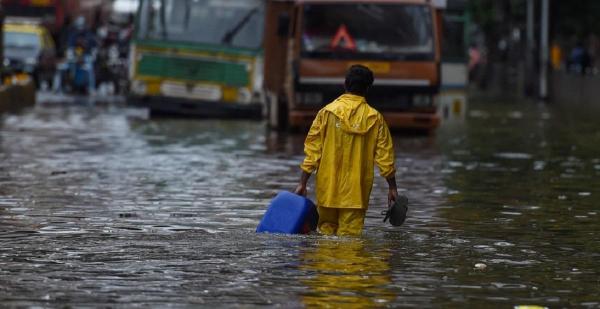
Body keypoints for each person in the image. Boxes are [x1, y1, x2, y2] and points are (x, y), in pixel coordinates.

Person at [294, 65, 398, 237]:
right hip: (356, 195)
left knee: (325, 240)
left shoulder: (326, 113)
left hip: (327, 191)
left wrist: (302, 183)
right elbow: (385, 158)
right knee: (350, 244)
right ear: (368, 88)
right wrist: (392, 188)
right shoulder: (375, 118)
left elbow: (312, 152)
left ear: (345, 84)